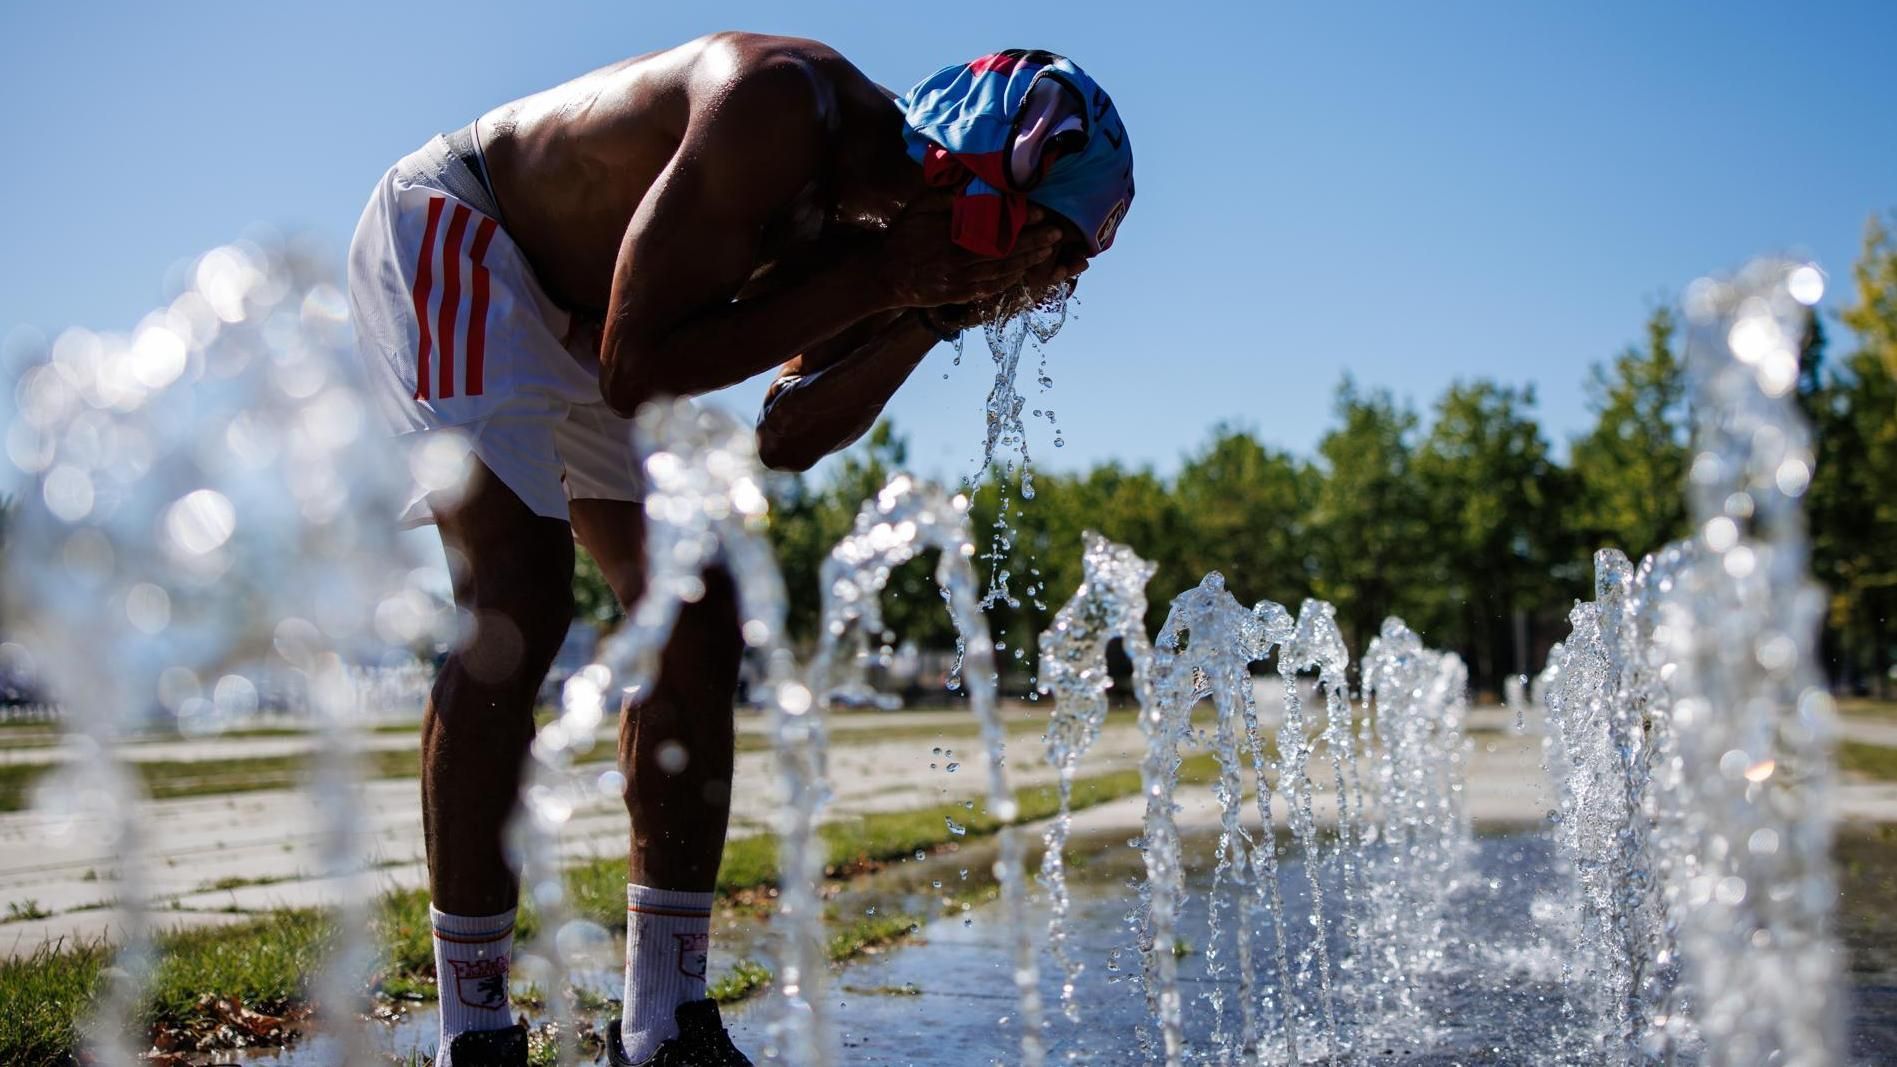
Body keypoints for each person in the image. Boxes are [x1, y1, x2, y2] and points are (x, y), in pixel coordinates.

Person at [346, 32, 1133, 1067]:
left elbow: (787, 434)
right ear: (971, 181)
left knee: (699, 606)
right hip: (467, 234)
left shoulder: (876, 229)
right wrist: (887, 280)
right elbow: (636, 370)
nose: (1040, 287)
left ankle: (665, 1019)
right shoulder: (774, 104)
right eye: (1039, 250)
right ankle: (474, 1028)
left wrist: (924, 311)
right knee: (520, 599)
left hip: (594, 311)